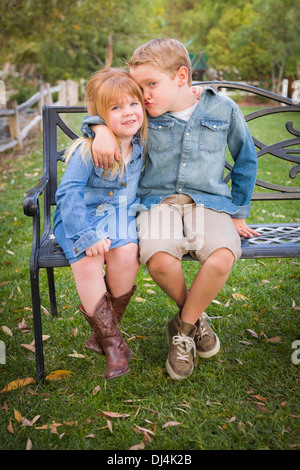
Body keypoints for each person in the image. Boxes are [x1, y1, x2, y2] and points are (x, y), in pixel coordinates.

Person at [81, 39, 259, 380]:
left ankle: (184, 328)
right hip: (157, 202)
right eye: (140, 86)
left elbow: (245, 159)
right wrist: (99, 128)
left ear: (181, 76)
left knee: (222, 256)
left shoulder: (222, 108)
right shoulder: (144, 111)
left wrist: (239, 211)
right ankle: (197, 319)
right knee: (161, 260)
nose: (144, 95)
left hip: (209, 202)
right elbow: (108, 107)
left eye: (151, 85)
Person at [53, 67, 147, 380]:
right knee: (87, 260)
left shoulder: (140, 143)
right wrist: (87, 235)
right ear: (101, 116)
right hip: (79, 215)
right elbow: (67, 196)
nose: (128, 113)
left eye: (133, 104)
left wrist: (196, 93)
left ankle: (103, 331)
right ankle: (114, 344)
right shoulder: (88, 149)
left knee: (126, 253)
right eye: (116, 108)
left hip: (119, 214)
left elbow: (175, 105)